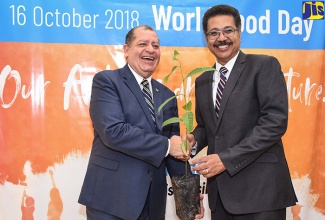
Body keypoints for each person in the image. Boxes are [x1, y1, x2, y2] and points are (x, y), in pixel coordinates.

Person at [78, 25, 203, 220]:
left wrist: (191, 199)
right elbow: (114, 132)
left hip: (153, 202)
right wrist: (169, 145)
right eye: (142, 44)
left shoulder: (167, 95)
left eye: (156, 45)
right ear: (126, 50)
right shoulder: (107, 82)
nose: (150, 50)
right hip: (111, 199)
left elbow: (174, 152)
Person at [187, 4, 297, 220]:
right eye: (214, 33)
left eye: (228, 30)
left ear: (239, 32)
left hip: (261, 193)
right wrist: (193, 140)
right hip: (220, 196)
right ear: (206, 38)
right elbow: (206, 127)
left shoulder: (264, 65)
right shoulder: (202, 80)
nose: (221, 38)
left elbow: (274, 123)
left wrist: (226, 159)